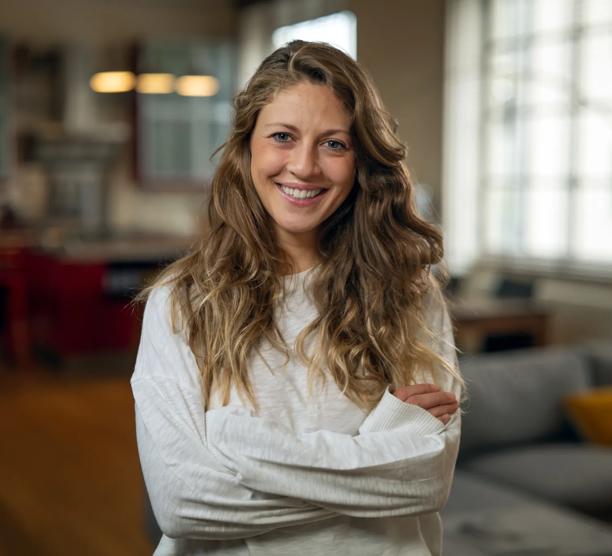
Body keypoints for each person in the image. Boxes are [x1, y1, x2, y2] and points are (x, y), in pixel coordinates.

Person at [131, 40, 464, 556]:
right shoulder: (182, 302)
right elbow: (183, 503)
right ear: (247, 148)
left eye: (334, 144)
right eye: (283, 137)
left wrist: (241, 445)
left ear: (361, 160)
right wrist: (377, 457)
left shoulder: (410, 295)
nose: (305, 167)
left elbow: (425, 484)